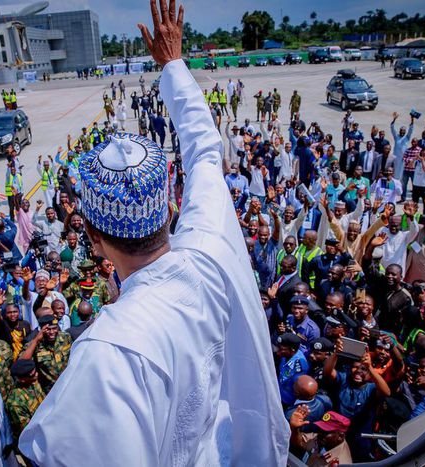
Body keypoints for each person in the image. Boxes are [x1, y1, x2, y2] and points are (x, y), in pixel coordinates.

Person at [20, 5, 289, 464]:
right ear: (168, 208)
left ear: (91, 236)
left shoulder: (109, 353)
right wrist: (173, 64)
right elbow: (205, 151)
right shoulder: (207, 252)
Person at [19, 314, 72, 394]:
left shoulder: (65, 338)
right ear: (41, 329)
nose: (52, 332)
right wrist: (36, 340)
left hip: (67, 385)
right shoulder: (34, 344)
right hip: (49, 391)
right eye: (48, 329)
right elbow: (22, 362)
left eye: (54, 328)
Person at [5, 359, 45, 446]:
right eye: (33, 375)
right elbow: (28, 430)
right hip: (31, 443)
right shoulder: (15, 402)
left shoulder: (33, 382)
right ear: (22, 380)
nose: (37, 374)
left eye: (35, 371)